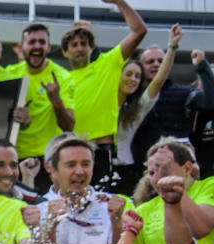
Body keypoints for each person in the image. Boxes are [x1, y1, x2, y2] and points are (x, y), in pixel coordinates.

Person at [61, 1, 147, 185]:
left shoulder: (108, 63)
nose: (79, 48)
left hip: (101, 149)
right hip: (70, 151)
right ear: (65, 52)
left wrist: (119, 3)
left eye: (84, 44)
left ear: (91, 48)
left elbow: (139, 31)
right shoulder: (62, 79)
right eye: (74, 45)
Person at [6, 23, 76, 195]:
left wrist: (57, 101)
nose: (37, 46)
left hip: (48, 159)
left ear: (49, 47)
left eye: (41, 42)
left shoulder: (63, 77)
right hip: (14, 158)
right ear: (22, 48)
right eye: (32, 42)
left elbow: (69, 126)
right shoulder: (9, 73)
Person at [131, 138, 214, 244]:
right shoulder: (143, 211)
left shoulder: (209, 186)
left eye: (165, 170)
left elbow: (200, 228)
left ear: (187, 168)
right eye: (152, 173)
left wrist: (175, 189)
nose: (158, 179)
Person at [115, 26, 180, 196]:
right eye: (129, 74)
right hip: (98, 165)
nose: (133, 80)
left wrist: (172, 46)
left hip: (124, 171)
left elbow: (158, 80)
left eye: (138, 76)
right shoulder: (102, 102)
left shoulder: (138, 107)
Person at [130, 45, 214, 171]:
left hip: (176, 170)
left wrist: (202, 66)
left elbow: (210, 101)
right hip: (137, 171)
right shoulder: (129, 97)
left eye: (161, 61)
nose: (156, 64)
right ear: (140, 67)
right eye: (150, 62)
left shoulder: (183, 93)